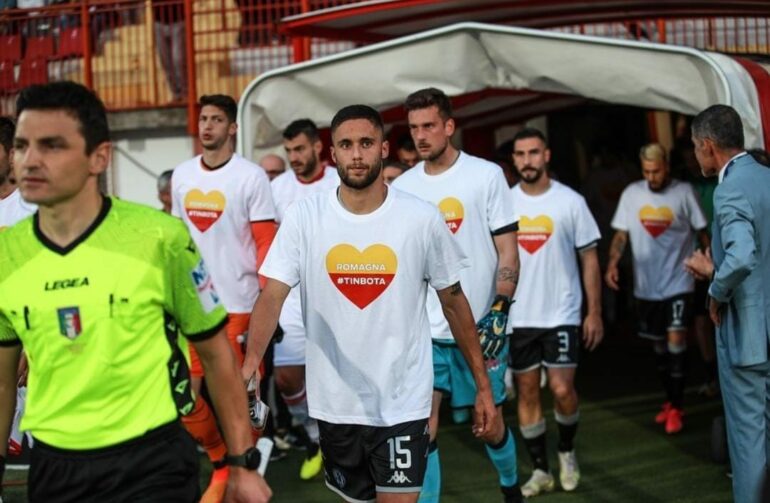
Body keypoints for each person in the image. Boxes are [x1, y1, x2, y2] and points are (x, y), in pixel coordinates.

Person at [0, 81, 271, 502]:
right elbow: (2, 383)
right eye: (21, 145)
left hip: (151, 461)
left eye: (52, 146)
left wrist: (241, 462)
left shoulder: (159, 238)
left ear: (99, 157)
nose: (30, 160)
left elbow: (217, 355)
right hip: (55, 465)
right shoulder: (7, 254)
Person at [241, 104, 497, 503]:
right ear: (333, 155)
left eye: (365, 143)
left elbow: (454, 302)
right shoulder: (304, 217)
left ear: (383, 149)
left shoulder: (421, 219)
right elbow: (272, 293)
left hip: (403, 402)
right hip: (334, 403)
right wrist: (251, 363)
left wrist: (483, 385)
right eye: (346, 144)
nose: (356, 154)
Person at [392, 87, 524, 503]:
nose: (421, 136)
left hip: (478, 326)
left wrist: (500, 306)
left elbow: (508, 249)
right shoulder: (405, 187)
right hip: (425, 330)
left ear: (449, 126)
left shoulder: (486, 175)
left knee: (490, 425)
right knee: (423, 426)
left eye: (429, 125)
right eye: (414, 128)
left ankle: (511, 490)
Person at [171, 94, 277, 502]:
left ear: (233, 128)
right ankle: (222, 462)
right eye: (203, 119)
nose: (207, 126)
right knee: (187, 393)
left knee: (240, 394)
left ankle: (247, 468)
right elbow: (178, 241)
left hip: (240, 305)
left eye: (217, 119)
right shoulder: (182, 175)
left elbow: (265, 241)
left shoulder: (251, 177)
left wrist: (269, 302)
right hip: (194, 303)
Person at [507, 127, 603, 497]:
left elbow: (589, 257)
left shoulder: (570, 202)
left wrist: (593, 312)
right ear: (514, 160)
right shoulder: (505, 202)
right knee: (527, 394)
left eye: (533, 153)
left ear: (546, 155)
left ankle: (566, 450)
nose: (527, 161)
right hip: (520, 318)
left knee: (563, 389)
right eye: (520, 154)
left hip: (562, 313)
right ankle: (541, 470)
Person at [690, 104, 770, 503]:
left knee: (749, 446)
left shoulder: (730, 187)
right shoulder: (767, 178)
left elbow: (742, 256)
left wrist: (714, 290)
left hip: (747, 340)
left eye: (694, 147)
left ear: (707, 146)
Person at [606, 143, 708, 435]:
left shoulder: (684, 192)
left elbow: (702, 233)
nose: (652, 177)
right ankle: (669, 400)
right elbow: (621, 235)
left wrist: (708, 264)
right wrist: (613, 263)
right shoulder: (632, 194)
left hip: (680, 280)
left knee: (676, 340)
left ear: (667, 166)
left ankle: (677, 407)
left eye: (657, 170)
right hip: (646, 287)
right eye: (647, 172)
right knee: (660, 348)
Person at [270, 118, 338, 480]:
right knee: (287, 378)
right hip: (293, 297)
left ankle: (347, 443)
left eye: (299, 149)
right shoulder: (277, 188)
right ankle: (316, 440)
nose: (294, 157)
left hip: (339, 293)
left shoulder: (338, 180)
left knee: (344, 374)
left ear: (316, 147)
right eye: (289, 151)